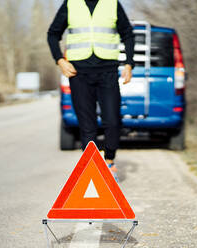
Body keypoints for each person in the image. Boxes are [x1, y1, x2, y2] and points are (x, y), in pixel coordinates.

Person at [47, 0, 135, 180]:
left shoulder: (112, 4)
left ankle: (109, 161)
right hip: (78, 73)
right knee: (87, 125)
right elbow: (53, 34)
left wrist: (129, 63)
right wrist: (60, 60)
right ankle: (92, 168)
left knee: (112, 121)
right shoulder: (71, 4)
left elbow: (128, 34)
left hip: (107, 71)